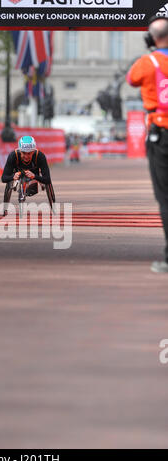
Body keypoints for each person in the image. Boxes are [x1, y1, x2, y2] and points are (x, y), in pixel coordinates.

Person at [127, 16, 168, 273]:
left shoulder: (147, 62)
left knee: (165, 196)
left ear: (150, 38)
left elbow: (132, 79)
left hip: (161, 132)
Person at [1, 136, 51, 214]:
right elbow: (3, 178)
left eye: (29, 153)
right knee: (10, 181)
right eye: (23, 153)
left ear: (33, 151)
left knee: (44, 181)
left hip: (34, 173)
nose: (26, 156)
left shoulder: (40, 156)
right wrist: (12, 177)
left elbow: (48, 180)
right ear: (19, 150)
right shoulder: (13, 156)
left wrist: (35, 176)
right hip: (18, 172)